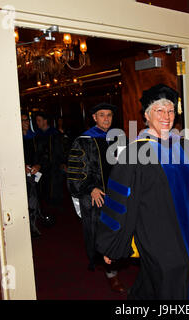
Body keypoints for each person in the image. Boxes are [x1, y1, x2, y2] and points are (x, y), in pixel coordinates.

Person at [95, 84, 189, 300]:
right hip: (154, 233)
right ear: (146, 115)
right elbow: (120, 201)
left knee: (159, 280)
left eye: (170, 111)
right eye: (159, 110)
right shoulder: (133, 152)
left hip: (182, 229)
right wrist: (112, 243)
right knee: (175, 274)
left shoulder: (185, 148)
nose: (167, 116)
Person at [66, 103, 126, 294]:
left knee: (119, 231)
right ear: (94, 118)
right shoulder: (83, 141)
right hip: (96, 197)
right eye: (102, 115)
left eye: (109, 115)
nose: (106, 119)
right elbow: (75, 173)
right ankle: (111, 273)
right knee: (102, 234)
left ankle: (116, 263)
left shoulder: (118, 138)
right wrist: (90, 188)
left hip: (117, 195)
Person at [34, 112, 67, 218]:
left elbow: (61, 150)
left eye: (39, 120)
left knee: (55, 188)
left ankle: (57, 214)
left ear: (45, 121)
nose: (37, 123)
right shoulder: (37, 135)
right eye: (36, 120)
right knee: (44, 190)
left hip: (54, 166)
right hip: (42, 167)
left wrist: (63, 162)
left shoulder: (55, 134)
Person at [21, 112, 42, 237]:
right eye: (23, 120)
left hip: (33, 172)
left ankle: (32, 225)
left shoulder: (35, 137)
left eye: (27, 120)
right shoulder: (14, 139)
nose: (26, 123)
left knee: (33, 199)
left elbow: (41, 154)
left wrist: (38, 165)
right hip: (20, 174)